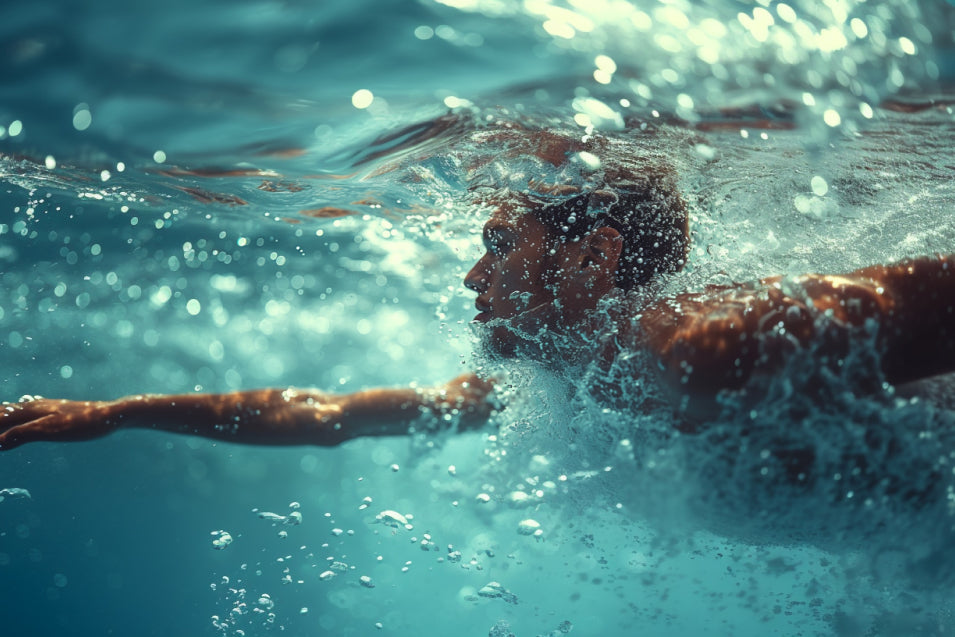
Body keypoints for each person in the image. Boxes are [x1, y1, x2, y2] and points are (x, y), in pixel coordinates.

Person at [1, 156, 953, 452]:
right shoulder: (571, 375)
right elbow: (327, 415)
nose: (470, 276)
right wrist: (118, 413)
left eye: (498, 243)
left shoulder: (696, 339)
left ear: (596, 256)